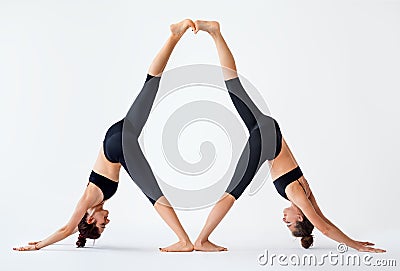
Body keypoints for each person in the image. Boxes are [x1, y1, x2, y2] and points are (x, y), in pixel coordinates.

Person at [192, 20, 386, 253]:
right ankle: (201, 240)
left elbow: (323, 220)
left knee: (234, 87)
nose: (284, 220)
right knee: (233, 191)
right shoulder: (297, 194)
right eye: (290, 223)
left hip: (269, 132)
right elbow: (323, 227)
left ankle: (215, 33)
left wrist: (352, 239)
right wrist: (355, 245)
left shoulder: (306, 195)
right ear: (301, 217)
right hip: (266, 138)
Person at [13, 19, 197, 252]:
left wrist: (39, 245)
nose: (107, 222)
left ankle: (184, 241)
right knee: (151, 85)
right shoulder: (99, 200)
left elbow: (67, 229)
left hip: (118, 145)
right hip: (117, 136)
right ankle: (174, 36)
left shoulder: (88, 199)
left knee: (154, 194)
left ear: (90, 219)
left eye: (102, 225)